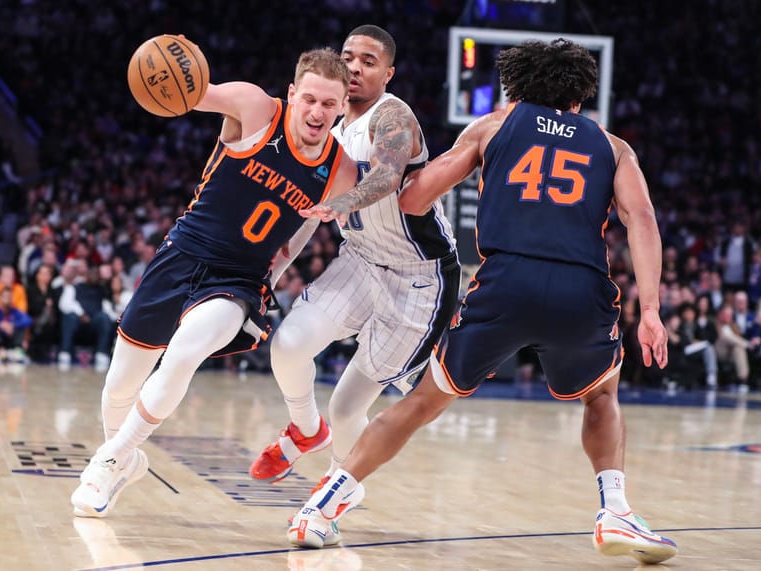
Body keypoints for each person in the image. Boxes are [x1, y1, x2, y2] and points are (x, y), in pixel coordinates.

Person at [289, 38, 678, 565]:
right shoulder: (612, 147)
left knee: (421, 403)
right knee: (601, 398)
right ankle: (615, 511)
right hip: (579, 289)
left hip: (505, 283)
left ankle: (321, 507)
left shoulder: (493, 126)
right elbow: (643, 220)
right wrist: (650, 310)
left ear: (515, 86)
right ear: (580, 97)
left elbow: (414, 198)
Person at [70, 46, 366, 518]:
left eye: (330, 105)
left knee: (185, 352)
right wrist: (173, 78)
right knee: (119, 385)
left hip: (238, 280)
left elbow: (319, 221)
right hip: (182, 254)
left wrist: (276, 274)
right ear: (292, 93)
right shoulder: (255, 108)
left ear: (342, 107)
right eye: (309, 99)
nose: (317, 112)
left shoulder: (341, 169)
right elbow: (194, 93)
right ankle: (124, 458)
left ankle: (105, 463)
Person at [249, 24, 461, 520]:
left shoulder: (393, 116)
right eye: (348, 57)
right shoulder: (328, 123)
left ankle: (338, 491)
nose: (354, 68)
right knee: (288, 344)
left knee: (348, 408)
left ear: (387, 73)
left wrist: (342, 200)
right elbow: (311, 210)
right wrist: (279, 266)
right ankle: (304, 428)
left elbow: (387, 176)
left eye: (368, 61)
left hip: (418, 278)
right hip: (361, 261)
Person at [0, 286, 33, 362]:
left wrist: (13, 325)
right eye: (5, 296)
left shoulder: (15, 312)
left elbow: (28, 320)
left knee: (21, 328)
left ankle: (17, 351)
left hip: (11, 340)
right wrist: (0, 325)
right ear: (0, 297)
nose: (7, 299)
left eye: (9, 296)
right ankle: (0, 351)